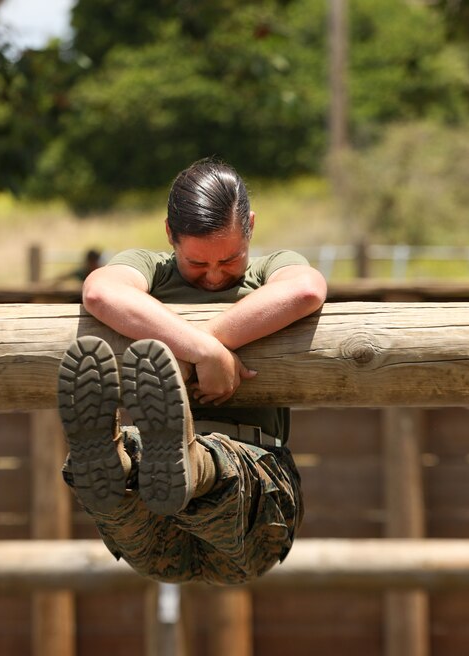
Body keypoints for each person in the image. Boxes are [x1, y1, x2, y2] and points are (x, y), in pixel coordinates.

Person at [57, 159, 328, 585]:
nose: (216, 275)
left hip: (247, 508)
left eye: (230, 258)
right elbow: (100, 291)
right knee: (137, 481)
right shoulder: (151, 266)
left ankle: (164, 461)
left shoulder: (270, 269)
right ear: (170, 234)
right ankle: (115, 462)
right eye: (197, 264)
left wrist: (194, 350)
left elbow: (306, 289)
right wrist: (203, 351)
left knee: (197, 473)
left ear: (251, 226)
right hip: (161, 523)